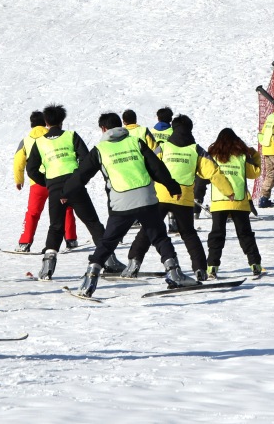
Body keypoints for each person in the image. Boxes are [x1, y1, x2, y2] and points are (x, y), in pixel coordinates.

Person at [65, 112, 197, 295]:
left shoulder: (100, 150)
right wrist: (172, 186)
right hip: (146, 200)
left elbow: (81, 174)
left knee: (108, 242)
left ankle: (90, 279)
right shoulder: (136, 142)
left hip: (121, 203)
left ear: (103, 129)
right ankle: (174, 273)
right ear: (120, 125)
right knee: (159, 237)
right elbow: (156, 167)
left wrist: (65, 192)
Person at [125, 114, 235, 280]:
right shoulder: (196, 150)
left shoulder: (163, 147)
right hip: (183, 199)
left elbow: (148, 165)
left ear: (173, 128)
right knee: (189, 234)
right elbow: (214, 172)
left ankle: (134, 263)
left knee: (148, 230)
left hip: (161, 196)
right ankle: (200, 269)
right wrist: (229, 191)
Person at [24, 103, 111, 279]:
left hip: (55, 188)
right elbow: (86, 160)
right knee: (92, 222)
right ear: (62, 120)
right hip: (75, 185)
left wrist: (48, 182)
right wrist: (78, 178)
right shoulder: (71, 136)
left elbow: (31, 169)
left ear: (46, 122)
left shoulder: (39, 142)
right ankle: (109, 260)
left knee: (56, 226)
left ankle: (47, 266)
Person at [13, 110, 79, 252]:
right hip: (55, 178)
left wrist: (19, 179)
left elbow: (18, 161)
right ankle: (71, 239)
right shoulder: (51, 136)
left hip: (37, 182)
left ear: (31, 124)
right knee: (66, 208)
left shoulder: (26, 140)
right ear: (46, 122)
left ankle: (24, 243)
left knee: (33, 212)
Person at [206, 128, 264, 278]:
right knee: (245, 234)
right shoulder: (242, 157)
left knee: (217, 234)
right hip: (239, 202)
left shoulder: (213, 157)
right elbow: (255, 173)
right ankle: (255, 264)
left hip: (219, 202)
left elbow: (204, 173)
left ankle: (212, 266)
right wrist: (255, 155)